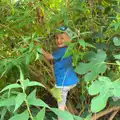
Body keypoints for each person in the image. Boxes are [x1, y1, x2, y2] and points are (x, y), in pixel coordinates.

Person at [42, 26, 79, 120]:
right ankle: (72, 112)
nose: (59, 40)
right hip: (70, 80)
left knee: (60, 107)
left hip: (64, 83)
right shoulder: (68, 49)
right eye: (57, 38)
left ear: (69, 39)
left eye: (62, 38)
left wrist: (40, 49)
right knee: (59, 96)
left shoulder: (63, 51)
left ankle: (61, 118)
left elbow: (49, 57)